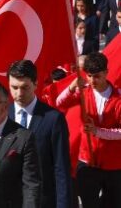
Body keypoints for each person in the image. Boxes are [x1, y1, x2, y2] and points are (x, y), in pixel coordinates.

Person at [57, 52, 121, 207]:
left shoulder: (118, 98)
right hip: (87, 162)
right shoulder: (83, 92)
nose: (93, 80)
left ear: (106, 72)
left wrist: (97, 131)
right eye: (90, 76)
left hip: (113, 164)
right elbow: (60, 103)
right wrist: (72, 87)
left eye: (97, 76)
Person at [7, 60, 72, 208]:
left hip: (43, 201)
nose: (19, 93)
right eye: (14, 87)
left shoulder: (53, 119)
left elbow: (61, 168)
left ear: (36, 83)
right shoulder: (2, 116)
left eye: (25, 87)